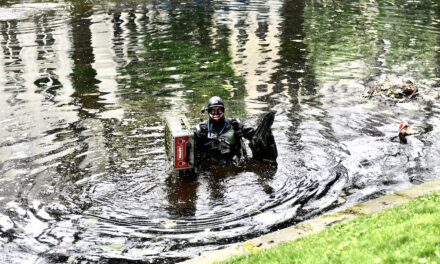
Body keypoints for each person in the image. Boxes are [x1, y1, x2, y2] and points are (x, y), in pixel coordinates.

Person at [193, 96, 255, 164]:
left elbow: (254, 135)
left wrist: (249, 131)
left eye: (219, 110)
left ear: (223, 110)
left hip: (234, 162)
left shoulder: (235, 124)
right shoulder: (201, 128)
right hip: (211, 164)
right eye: (213, 110)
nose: (216, 113)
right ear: (208, 111)